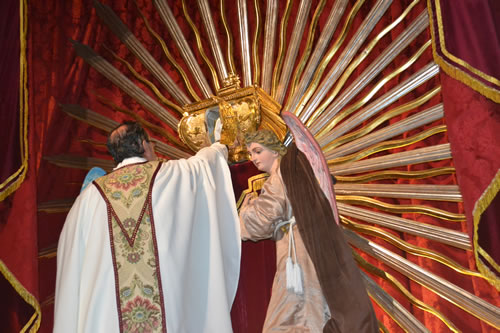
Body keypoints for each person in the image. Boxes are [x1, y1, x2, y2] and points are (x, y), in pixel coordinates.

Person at [54, 121, 241, 333]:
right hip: (168, 311)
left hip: (107, 316)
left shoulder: (89, 198)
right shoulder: (172, 173)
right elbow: (205, 164)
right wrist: (221, 145)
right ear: (144, 144)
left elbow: (71, 262)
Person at [239, 129, 378, 332]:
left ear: (275, 151)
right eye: (251, 154)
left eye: (258, 151)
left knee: (290, 315)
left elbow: (262, 219)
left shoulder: (278, 178)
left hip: (295, 256)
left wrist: (245, 210)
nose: (254, 159)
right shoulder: (292, 174)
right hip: (306, 248)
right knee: (310, 309)